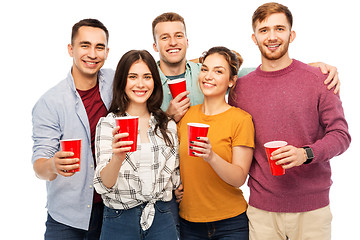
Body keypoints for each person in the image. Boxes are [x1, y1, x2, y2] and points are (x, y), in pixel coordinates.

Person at [229, 3, 351, 240]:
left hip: (313, 211)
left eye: (279, 29)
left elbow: (341, 135)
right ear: (254, 38)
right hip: (262, 211)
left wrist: (305, 154)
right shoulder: (240, 88)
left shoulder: (319, 79)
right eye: (264, 30)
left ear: (291, 34)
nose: (272, 37)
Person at [152, 12, 340, 123]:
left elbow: (263, 74)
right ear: (155, 46)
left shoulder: (204, 73)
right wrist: (167, 116)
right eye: (164, 37)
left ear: (186, 41)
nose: (173, 42)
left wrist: (307, 68)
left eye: (178, 36)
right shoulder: (145, 80)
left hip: (202, 166)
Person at [31, 19, 113, 239]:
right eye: (85, 45)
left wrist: (203, 63)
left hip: (111, 211)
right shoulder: (50, 102)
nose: (92, 54)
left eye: (99, 47)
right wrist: (53, 165)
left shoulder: (115, 81)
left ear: (107, 52)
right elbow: (39, 166)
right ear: (71, 49)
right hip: (67, 218)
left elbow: (149, 71)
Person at [93, 50, 180, 240]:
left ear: (155, 82)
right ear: (122, 81)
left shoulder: (167, 125)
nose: (140, 84)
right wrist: (117, 157)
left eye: (147, 77)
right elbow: (103, 185)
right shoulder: (109, 124)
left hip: (162, 217)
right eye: (133, 76)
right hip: (119, 219)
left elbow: (174, 179)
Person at [177, 46, 254, 239]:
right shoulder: (185, 115)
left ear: (231, 81)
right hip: (188, 223)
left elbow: (239, 178)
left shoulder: (241, 119)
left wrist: (211, 157)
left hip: (231, 224)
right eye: (204, 69)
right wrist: (175, 188)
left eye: (218, 71)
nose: (208, 76)